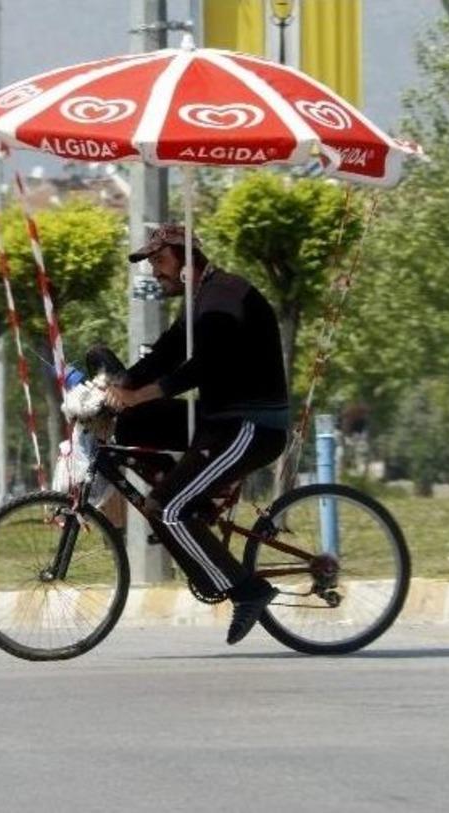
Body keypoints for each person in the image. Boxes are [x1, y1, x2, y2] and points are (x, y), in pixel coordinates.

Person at [102, 224, 289, 645]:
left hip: (249, 426)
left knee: (165, 508)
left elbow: (202, 367)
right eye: (151, 263)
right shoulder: (199, 300)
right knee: (133, 422)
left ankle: (249, 591)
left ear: (186, 258)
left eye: (160, 260)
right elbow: (167, 352)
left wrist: (140, 394)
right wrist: (117, 387)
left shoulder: (222, 298)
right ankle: (194, 498)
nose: (155, 271)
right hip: (217, 420)